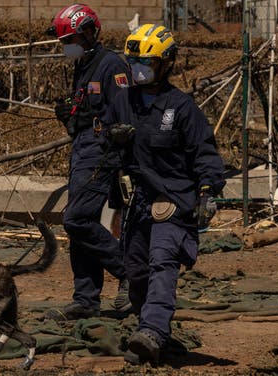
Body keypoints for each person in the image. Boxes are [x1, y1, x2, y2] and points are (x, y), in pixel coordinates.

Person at [105, 24, 225, 365]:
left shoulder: (181, 108)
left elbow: (205, 153)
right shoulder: (122, 101)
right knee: (136, 271)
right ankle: (151, 330)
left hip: (172, 201)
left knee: (162, 262)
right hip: (137, 203)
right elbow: (105, 145)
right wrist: (112, 140)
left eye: (147, 62)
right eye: (134, 62)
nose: (139, 69)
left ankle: (153, 332)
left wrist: (208, 191)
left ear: (166, 63)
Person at [44, 3, 131, 321]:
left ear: (90, 33)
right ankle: (86, 299)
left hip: (102, 154)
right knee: (81, 226)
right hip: (82, 152)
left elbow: (124, 118)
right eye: (64, 43)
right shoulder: (82, 66)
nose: (67, 48)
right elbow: (86, 112)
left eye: (71, 41)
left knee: (76, 220)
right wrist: (70, 116)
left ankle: (130, 271)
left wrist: (120, 153)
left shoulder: (113, 66)